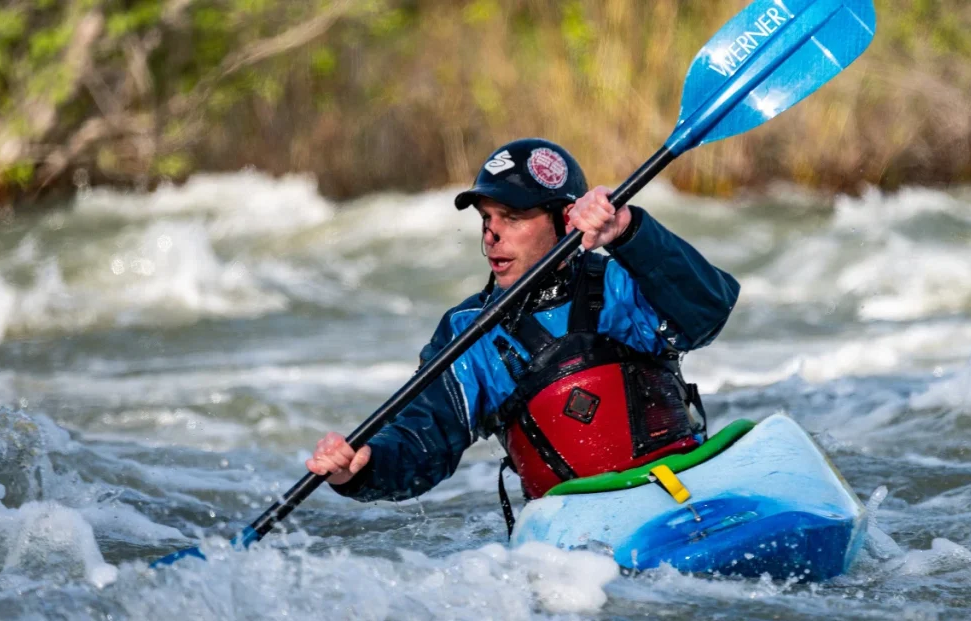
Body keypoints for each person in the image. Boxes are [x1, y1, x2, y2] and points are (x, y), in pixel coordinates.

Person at [306, 138, 740, 521]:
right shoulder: (468, 334)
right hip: (576, 527)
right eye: (486, 218)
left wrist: (630, 231)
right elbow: (426, 439)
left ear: (566, 219)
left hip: (681, 486)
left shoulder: (621, 280)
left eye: (512, 217)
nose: (492, 234)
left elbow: (707, 313)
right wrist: (363, 468)